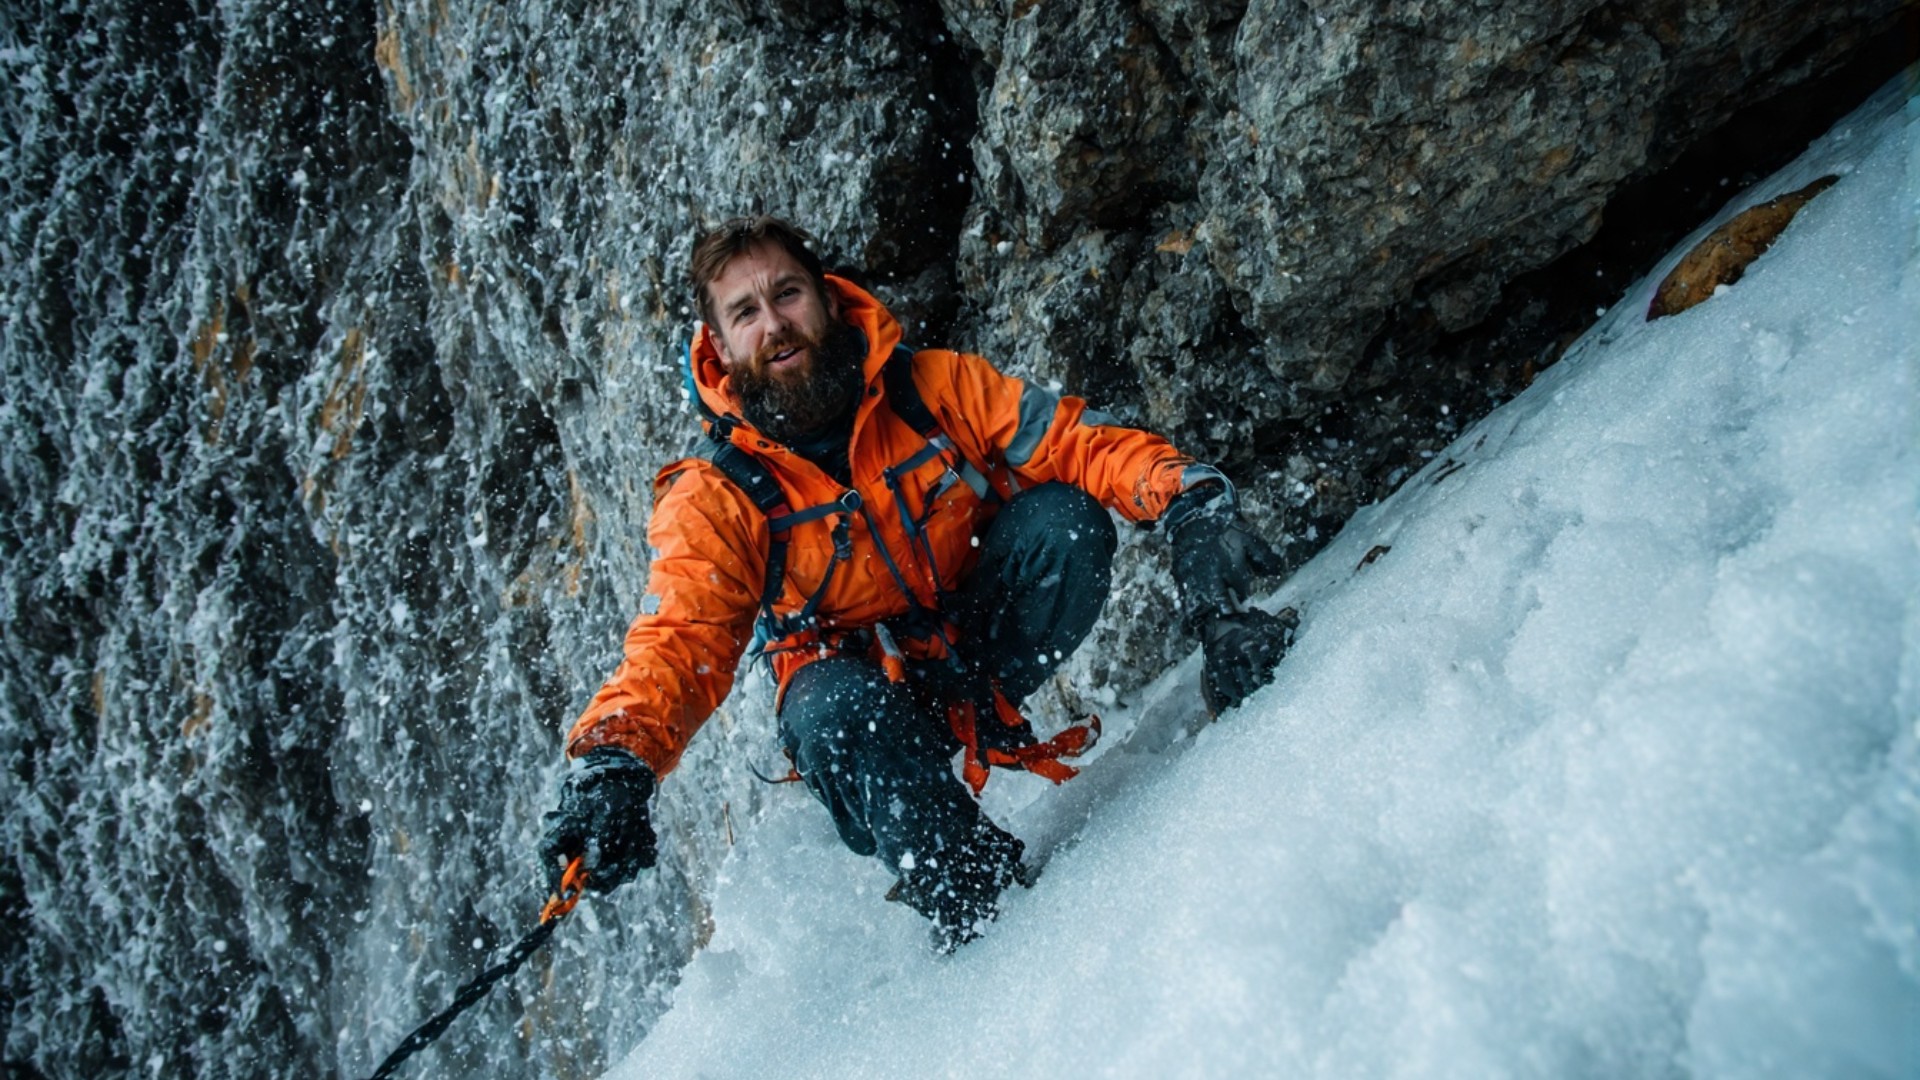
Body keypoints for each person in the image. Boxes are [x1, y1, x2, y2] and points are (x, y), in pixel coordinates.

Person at [539, 215, 1295, 951]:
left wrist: (1187, 498)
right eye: (745, 312)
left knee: (1064, 523)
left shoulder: (934, 389)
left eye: (788, 294)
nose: (774, 323)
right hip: (860, 714)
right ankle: (968, 899)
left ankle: (979, 730)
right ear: (719, 348)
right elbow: (678, 639)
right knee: (835, 708)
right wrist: (615, 761)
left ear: (828, 299)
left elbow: (1074, 441)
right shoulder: (716, 495)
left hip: (975, 651)